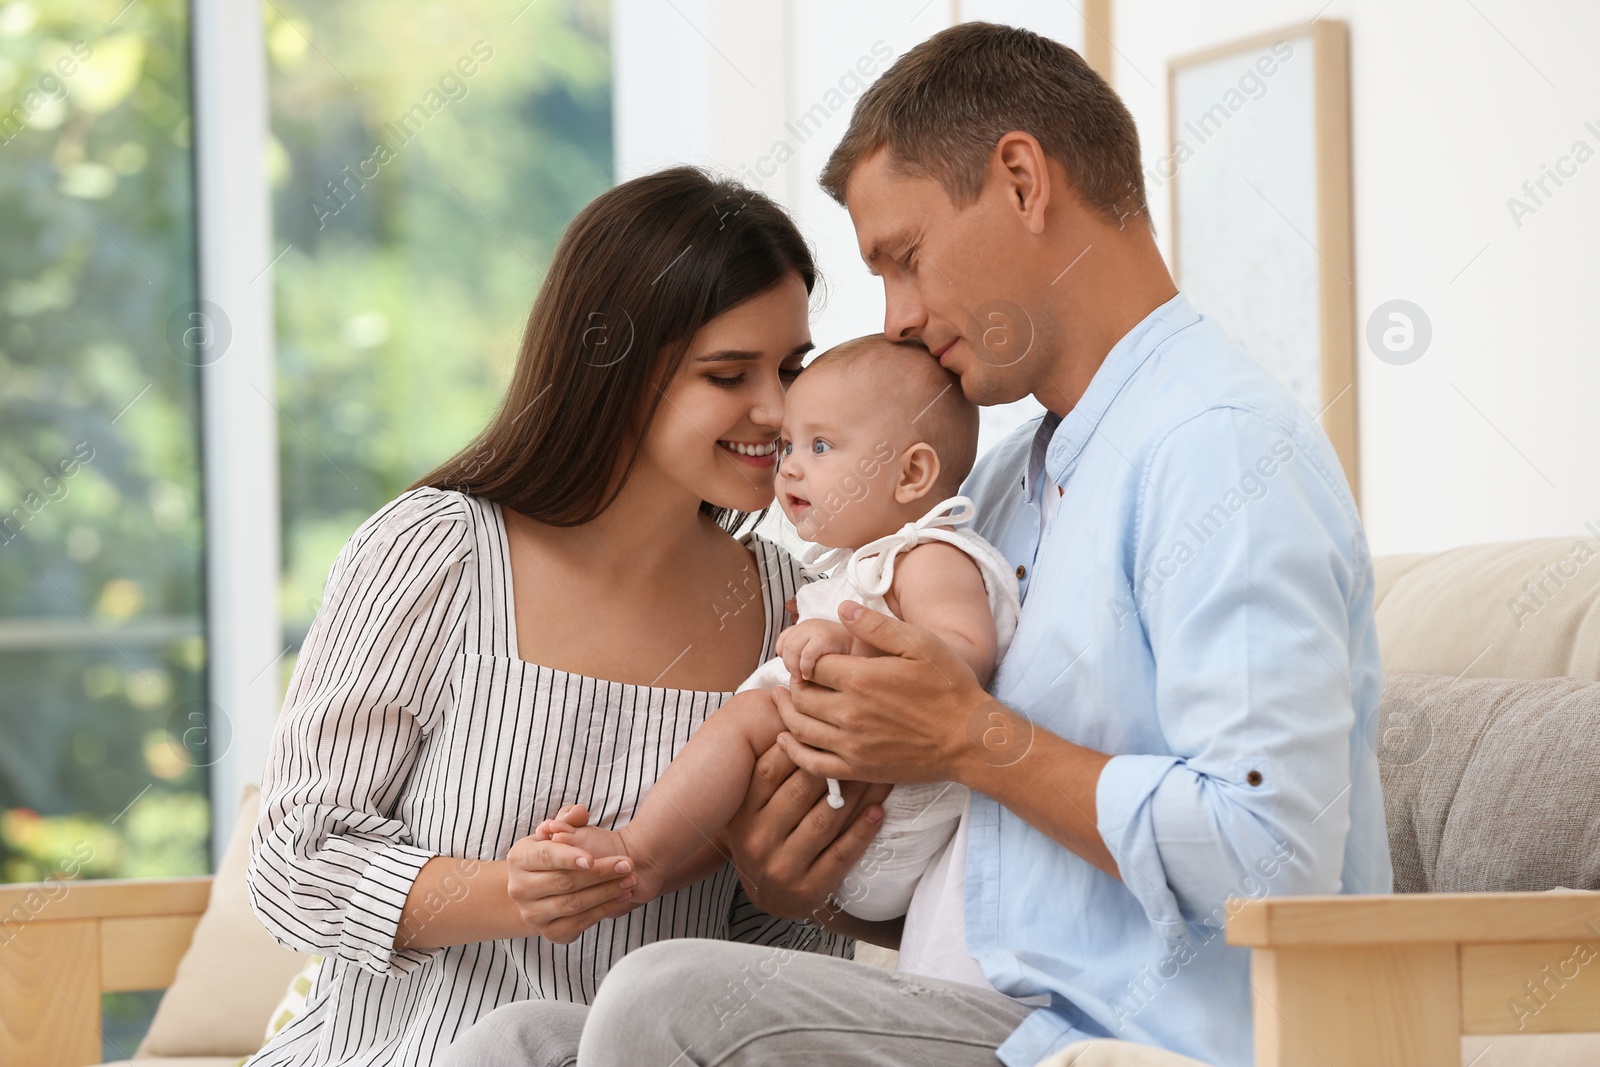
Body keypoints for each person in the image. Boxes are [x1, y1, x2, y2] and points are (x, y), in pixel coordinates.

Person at [569, 22, 1392, 1067]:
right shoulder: (995, 486)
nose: (898, 320)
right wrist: (813, 890)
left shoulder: (1215, 446)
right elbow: (1000, 888)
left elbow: (1269, 853)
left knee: (662, 998)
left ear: (1018, 180)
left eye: (902, 260)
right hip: (1004, 1022)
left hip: (1154, 1041)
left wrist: (971, 738)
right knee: (522, 1040)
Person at [242, 167, 900, 1067]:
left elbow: (769, 962)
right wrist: (512, 892)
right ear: (616, 367)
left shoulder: (793, 611)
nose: (779, 409)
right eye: (727, 372)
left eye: (790, 367)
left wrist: (794, 891)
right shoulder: (437, 550)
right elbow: (292, 863)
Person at [529, 335, 1021, 935]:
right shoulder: (856, 569)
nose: (788, 464)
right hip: (842, 847)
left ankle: (641, 854)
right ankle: (641, 861)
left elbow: (964, 659)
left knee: (752, 718)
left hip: (896, 812)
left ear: (912, 472)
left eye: (819, 446)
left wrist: (849, 648)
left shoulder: (930, 556)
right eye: (788, 444)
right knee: (755, 729)